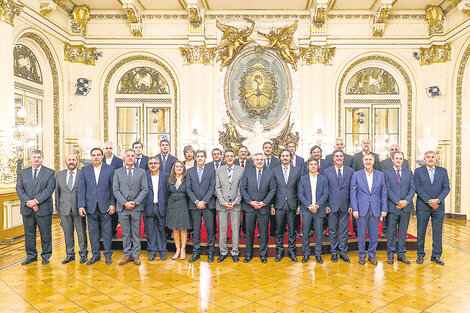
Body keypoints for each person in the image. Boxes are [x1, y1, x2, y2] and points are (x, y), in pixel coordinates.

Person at [16, 150, 56, 265]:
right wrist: (29, 202)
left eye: (39, 157)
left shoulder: (49, 172)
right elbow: (19, 189)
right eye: (34, 157)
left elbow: (49, 189)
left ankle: (46, 256)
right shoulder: (23, 173)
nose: (36, 159)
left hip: (43, 209)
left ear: (42, 158)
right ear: (30, 158)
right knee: (29, 234)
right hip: (27, 208)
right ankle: (31, 256)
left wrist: (36, 201)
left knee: (46, 234)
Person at [78, 147, 116, 265]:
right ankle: (95, 255)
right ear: (91, 157)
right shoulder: (84, 170)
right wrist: (81, 205)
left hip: (106, 206)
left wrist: (112, 203)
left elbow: (113, 188)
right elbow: (81, 188)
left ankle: (108, 255)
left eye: (98, 155)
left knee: (107, 232)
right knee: (93, 232)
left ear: (102, 156)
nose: (96, 157)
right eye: (93, 155)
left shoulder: (110, 169)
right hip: (90, 206)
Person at [350, 153, 387, 265]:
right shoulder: (356, 175)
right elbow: (353, 193)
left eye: (370, 159)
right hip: (361, 209)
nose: (368, 161)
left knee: (374, 234)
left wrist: (384, 209)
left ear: (374, 161)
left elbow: (383, 193)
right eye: (366, 159)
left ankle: (372, 255)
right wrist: (355, 209)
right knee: (361, 234)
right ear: (363, 161)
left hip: (375, 208)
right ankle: (361, 255)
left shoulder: (380, 175)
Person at [113, 149, 148, 266]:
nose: (130, 158)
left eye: (132, 156)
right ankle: (127, 254)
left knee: (136, 233)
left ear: (135, 158)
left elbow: (144, 189)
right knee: (126, 232)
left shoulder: (141, 172)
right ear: (124, 158)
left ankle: (136, 255)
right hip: (122, 208)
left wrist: (135, 202)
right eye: (128, 156)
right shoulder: (117, 172)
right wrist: (125, 203)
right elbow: (115, 190)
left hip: (136, 207)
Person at [415, 151, 450, 265]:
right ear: (424, 159)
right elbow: (418, 188)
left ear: (436, 159)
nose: (430, 159)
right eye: (428, 157)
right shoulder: (418, 171)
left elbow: (446, 188)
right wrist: (429, 201)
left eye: (432, 157)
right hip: (423, 205)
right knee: (421, 231)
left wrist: (437, 200)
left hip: (438, 206)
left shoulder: (443, 171)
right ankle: (420, 255)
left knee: (437, 231)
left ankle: (436, 256)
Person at [240, 152, 276, 263]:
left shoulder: (270, 173)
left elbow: (273, 189)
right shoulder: (247, 172)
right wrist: (250, 202)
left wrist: (264, 202)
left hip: (263, 208)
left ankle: (263, 255)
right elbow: (242, 188)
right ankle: (248, 255)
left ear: (264, 161)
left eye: (261, 159)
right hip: (250, 208)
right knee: (249, 232)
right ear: (254, 161)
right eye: (257, 159)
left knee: (264, 233)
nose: (259, 161)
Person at [55, 154, 88, 264]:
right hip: (64, 208)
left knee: (81, 233)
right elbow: (57, 192)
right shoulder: (59, 175)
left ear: (77, 161)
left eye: (73, 160)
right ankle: (70, 254)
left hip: (79, 208)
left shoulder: (82, 174)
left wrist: (83, 205)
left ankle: (83, 254)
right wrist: (58, 208)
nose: (71, 162)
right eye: (69, 159)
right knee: (67, 233)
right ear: (65, 161)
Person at [384, 151, 415, 265]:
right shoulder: (386, 173)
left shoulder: (409, 172)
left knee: (403, 232)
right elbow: (387, 190)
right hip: (393, 207)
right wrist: (398, 201)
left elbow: (412, 188)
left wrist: (406, 201)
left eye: (400, 158)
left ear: (403, 160)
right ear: (392, 159)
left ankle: (401, 254)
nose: (398, 160)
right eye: (396, 158)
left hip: (405, 208)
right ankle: (390, 255)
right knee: (391, 232)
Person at [323, 149, 354, 263]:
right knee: (332, 231)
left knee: (344, 231)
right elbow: (324, 189)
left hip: (346, 206)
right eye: (337, 156)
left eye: (341, 156)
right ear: (333, 158)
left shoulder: (351, 171)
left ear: (343, 157)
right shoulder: (327, 171)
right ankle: (334, 252)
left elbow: (353, 190)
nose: (339, 158)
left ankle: (343, 252)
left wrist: (352, 204)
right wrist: (326, 204)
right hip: (331, 206)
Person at [186, 150, 217, 263]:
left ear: (205, 158)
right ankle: (196, 252)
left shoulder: (211, 170)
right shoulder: (190, 171)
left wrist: (204, 201)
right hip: (194, 206)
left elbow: (212, 187)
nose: (199, 158)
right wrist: (196, 201)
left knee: (210, 230)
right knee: (196, 230)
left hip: (208, 205)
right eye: (198, 156)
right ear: (195, 158)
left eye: (202, 156)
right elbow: (188, 188)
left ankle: (211, 252)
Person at [272, 149, 301, 262]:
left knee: (292, 230)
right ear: (280, 158)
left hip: (292, 205)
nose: (285, 157)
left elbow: (299, 189)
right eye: (283, 156)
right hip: (279, 205)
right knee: (279, 230)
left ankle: (291, 252)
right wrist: (272, 206)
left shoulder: (297, 171)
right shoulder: (274, 171)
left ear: (290, 157)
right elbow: (273, 189)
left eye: (287, 156)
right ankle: (279, 251)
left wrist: (299, 205)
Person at [215, 149, 244, 263]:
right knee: (222, 230)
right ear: (224, 158)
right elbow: (217, 188)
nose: (230, 158)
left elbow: (242, 187)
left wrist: (236, 201)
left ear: (234, 157)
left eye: (232, 156)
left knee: (235, 230)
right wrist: (223, 202)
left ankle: (235, 252)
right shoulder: (218, 170)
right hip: (222, 205)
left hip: (235, 205)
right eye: (227, 156)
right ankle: (223, 252)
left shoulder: (241, 170)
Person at [298, 158, 328, 264]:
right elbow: (300, 194)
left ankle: (318, 255)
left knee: (319, 233)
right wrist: (309, 206)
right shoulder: (303, 179)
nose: (313, 166)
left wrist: (317, 205)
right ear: (308, 166)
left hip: (319, 210)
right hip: (306, 210)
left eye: (315, 164)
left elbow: (325, 194)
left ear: (318, 166)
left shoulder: (323, 179)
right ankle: (306, 254)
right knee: (305, 233)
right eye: (311, 164)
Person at [351, 138, 381, 236]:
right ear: (361, 145)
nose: (366, 144)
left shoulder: (375, 156)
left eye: (368, 143)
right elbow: (353, 171)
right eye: (364, 143)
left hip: (372, 187)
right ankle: (356, 231)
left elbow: (378, 170)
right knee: (359, 217)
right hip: (360, 189)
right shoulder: (355, 157)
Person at [380, 144, 410, 239]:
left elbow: (409, 183)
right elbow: (385, 184)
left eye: (396, 149)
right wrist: (397, 201)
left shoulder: (405, 163)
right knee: (388, 221)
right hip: (391, 200)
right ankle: (386, 231)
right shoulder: (384, 163)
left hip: (404, 200)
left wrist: (405, 201)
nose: (394, 150)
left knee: (403, 225)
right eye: (392, 149)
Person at [145, 156, 169, 261]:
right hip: (148, 207)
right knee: (150, 231)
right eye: (151, 163)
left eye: (155, 163)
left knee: (162, 230)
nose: (153, 165)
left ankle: (162, 251)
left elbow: (168, 192)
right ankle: (152, 251)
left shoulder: (166, 176)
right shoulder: (144, 175)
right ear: (148, 165)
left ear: (159, 164)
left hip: (162, 206)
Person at [166, 161, 191, 260]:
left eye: (181, 166)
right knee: (175, 229)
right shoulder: (170, 180)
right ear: (174, 168)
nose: (179, 168)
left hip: (183, 204)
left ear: (183, 168)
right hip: (172, 205)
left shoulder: (187, 180)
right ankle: (177, 249)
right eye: (177, 166)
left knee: (183, 228)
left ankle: (183, 249)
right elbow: (167, 192)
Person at [102, 141, 123, 239]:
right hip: (103, 192)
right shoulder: (100, 160)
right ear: (103, 149)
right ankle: (104, 234)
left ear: (113, 149)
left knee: (114, 214)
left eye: (110, 148)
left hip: (115, 191)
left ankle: (114, 232)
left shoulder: (119, 161)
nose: (108, 150)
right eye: (106, 148)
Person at [287, 141, 304, 238]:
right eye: (289, 146)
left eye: (293, 146)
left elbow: (302, 173)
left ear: (295, 148)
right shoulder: (283, 159)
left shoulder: (301, 160)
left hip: (298, 187)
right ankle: (286, 229)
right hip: (287, 188)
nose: (291, 148)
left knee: (297, 211)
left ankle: (297, 230)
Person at [234, 145, 252, 238]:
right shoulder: (234, 162)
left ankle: (245, 231)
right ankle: (237, 232)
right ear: (238, 153)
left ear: (247, 153)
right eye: (241, 151)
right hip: (235, 192)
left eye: (245, 151)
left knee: (246, 213)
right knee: (236, 213)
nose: (243, 153)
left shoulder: (251, 163)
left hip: (247, 192)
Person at [263, 141, 280, 237]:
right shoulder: (260, 159)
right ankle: (262, 232)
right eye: (265, 147)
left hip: (275, 189)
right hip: (262, 190)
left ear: (272, 149)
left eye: (269, 147)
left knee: (274, 213)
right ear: (263, 149)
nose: (267, 149)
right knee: (263, 213)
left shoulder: (277, 161)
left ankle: (273, 231)